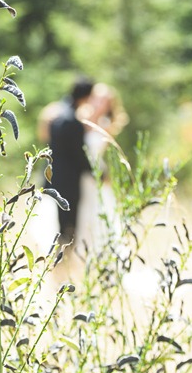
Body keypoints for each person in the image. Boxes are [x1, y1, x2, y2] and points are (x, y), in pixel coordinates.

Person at [42, 77, 94, 245]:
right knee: (69, 222)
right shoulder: (73, 121)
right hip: (69, 179)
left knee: (61, 220)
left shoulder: (56, 114)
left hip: (55, 175)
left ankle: (62, 256)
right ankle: (65, 258)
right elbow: (78, 154)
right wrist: (96, 172)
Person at [76, 82, 129, 249]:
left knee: (98, 211)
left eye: (105, 101)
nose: (100, 103)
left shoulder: (107, 124)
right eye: (98, 99)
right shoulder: (78, 118)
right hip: (80, 172)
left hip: (96, 171)